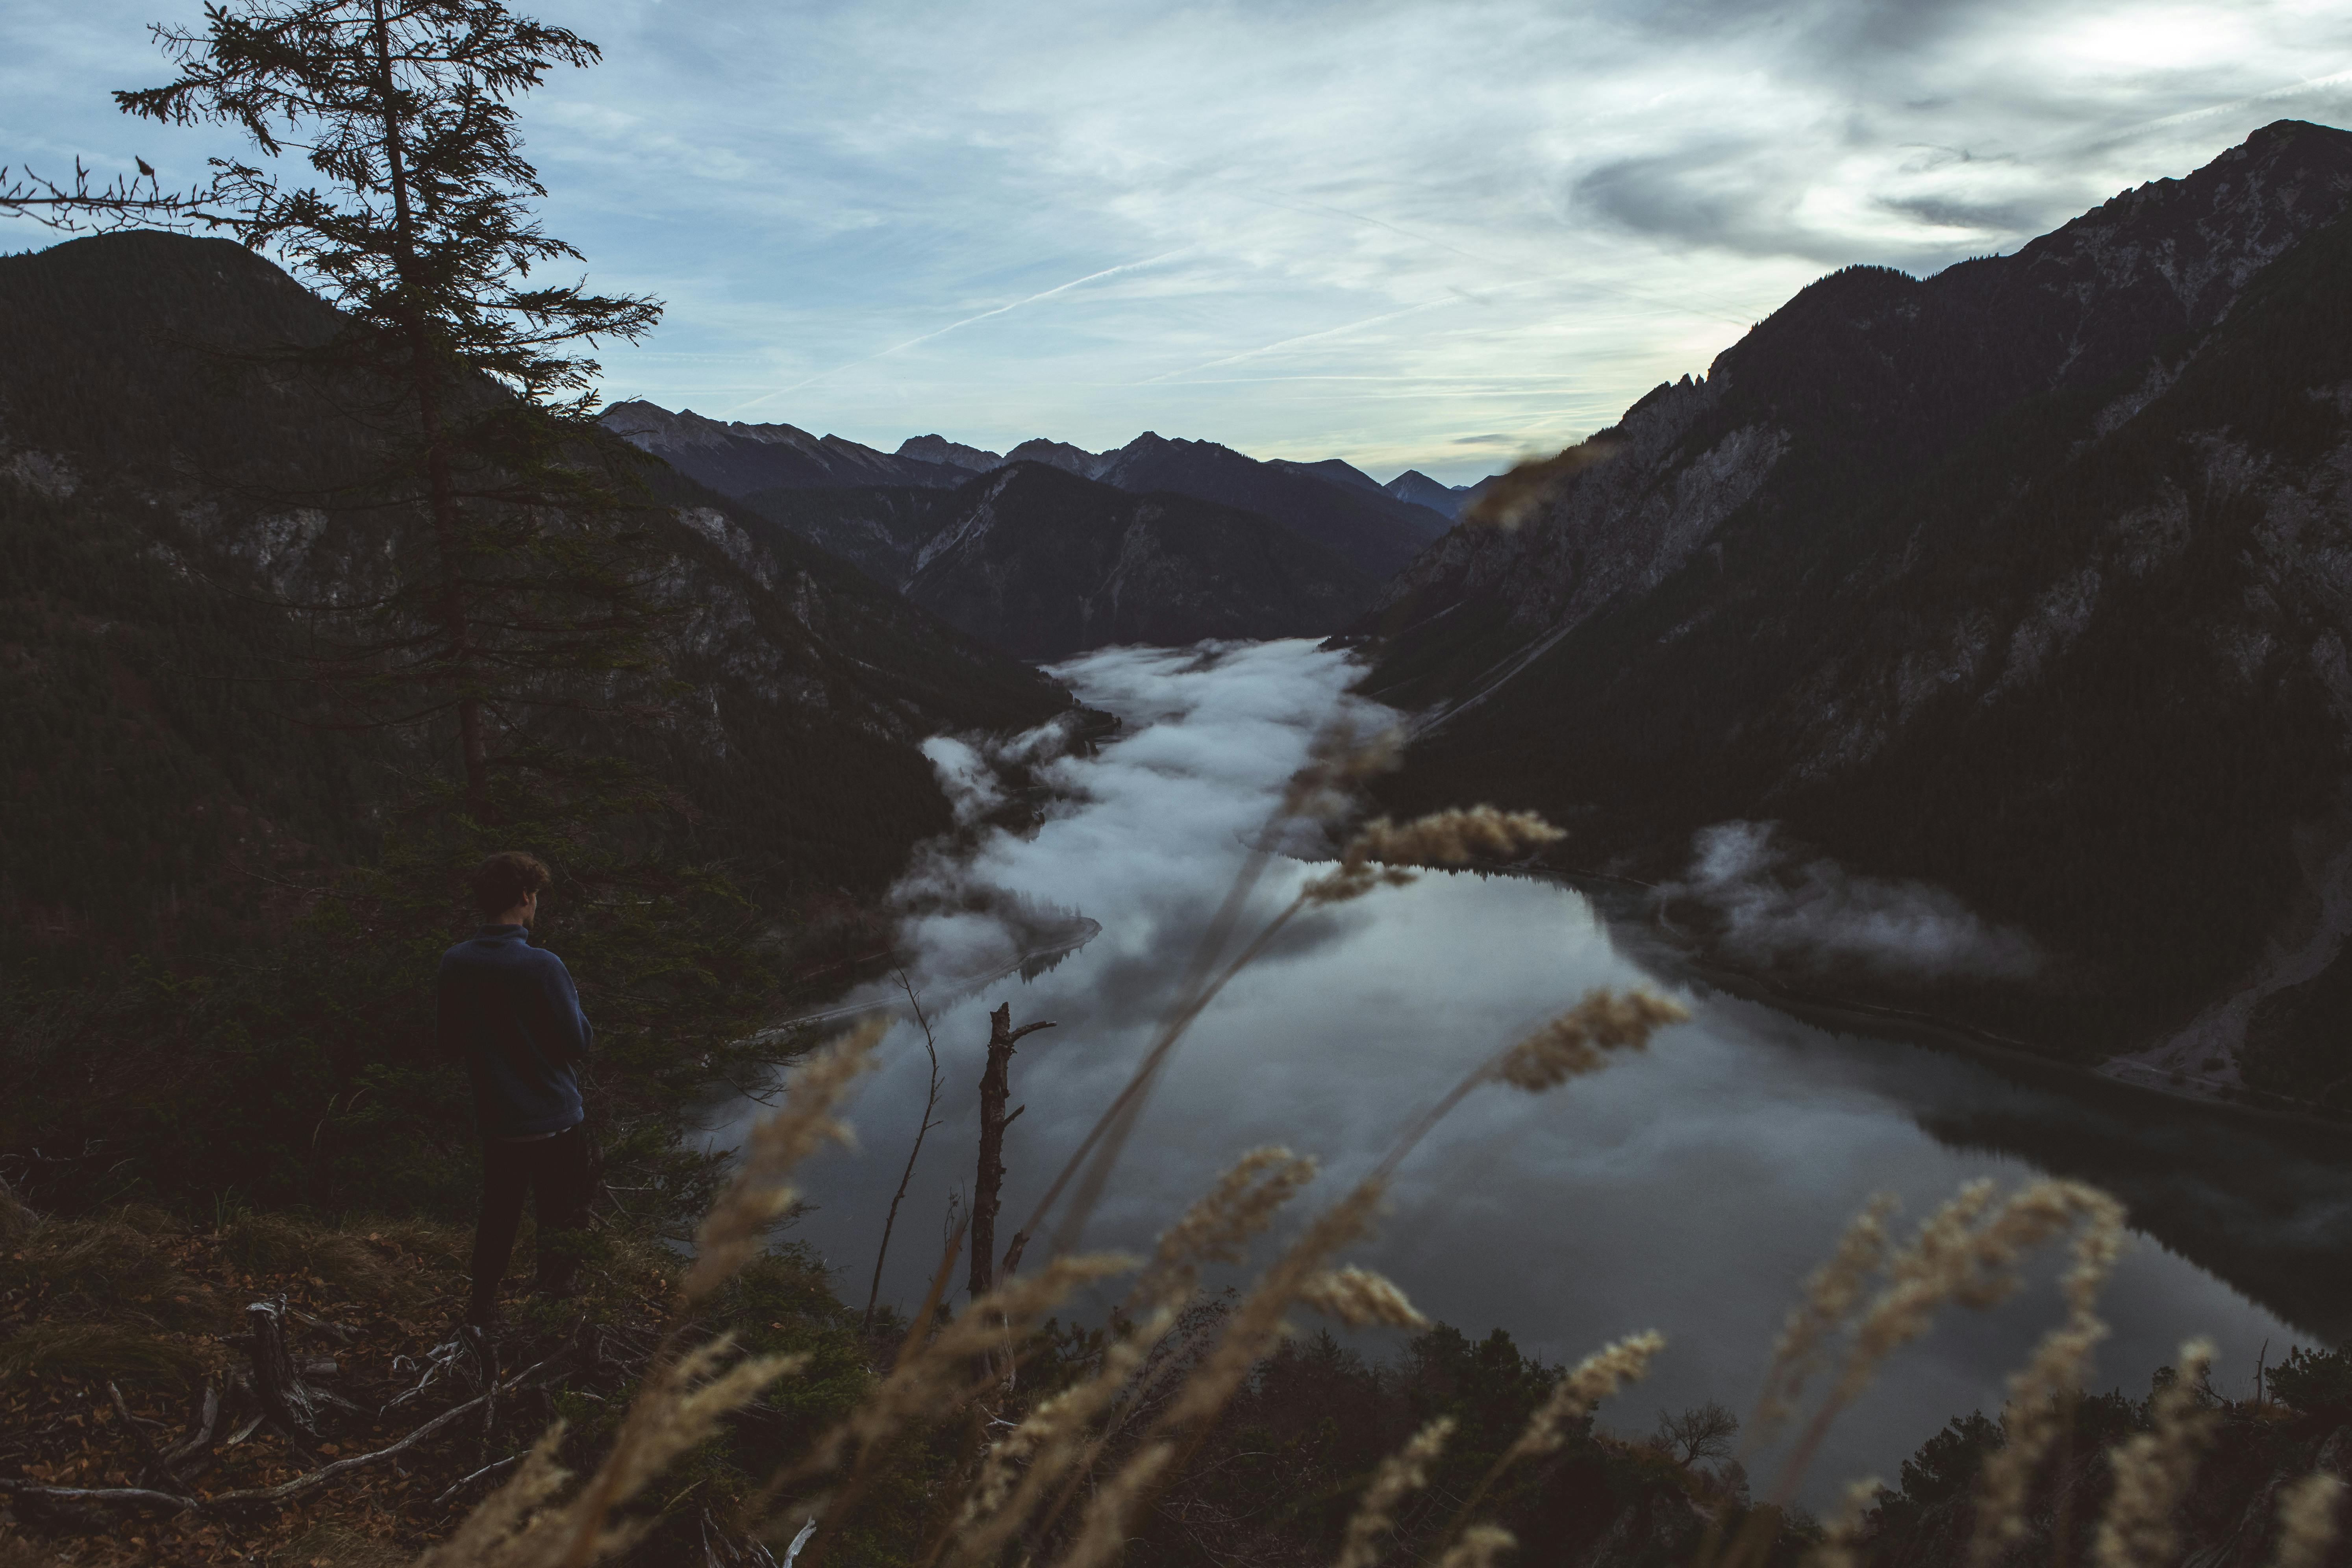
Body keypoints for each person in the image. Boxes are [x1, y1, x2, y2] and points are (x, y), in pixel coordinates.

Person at [438, 850, 596, 1327]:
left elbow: (449, 1040)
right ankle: (553, 1306)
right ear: (526, 898)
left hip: (499, 1120)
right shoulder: (543, 965)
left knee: (499, 1215)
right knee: (561, 1216)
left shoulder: (455, 961)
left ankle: (482, 1306)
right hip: (554, 1120)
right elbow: (578, 1041)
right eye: (536, 897)